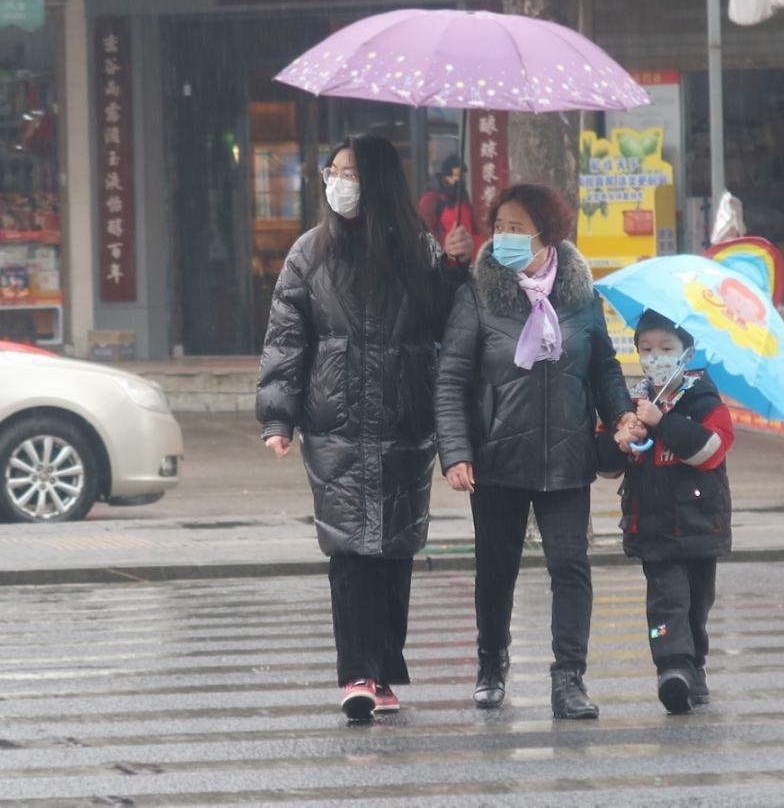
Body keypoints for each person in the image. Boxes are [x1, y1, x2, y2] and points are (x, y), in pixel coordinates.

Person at [256, 134, 471, 722]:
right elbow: (286, 339)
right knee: (349, 549)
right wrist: (278, 415)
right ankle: (357, 673)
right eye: (333, 172)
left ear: (376, 181)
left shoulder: (419, 249)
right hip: (336, 424)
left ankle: (385, 669)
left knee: (395, 548)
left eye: (350, 173)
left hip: (405, 420)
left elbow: (447, 326)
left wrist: (454, 269)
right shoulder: (310, 252)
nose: (338, 183)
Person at [435, 183, 639, 719]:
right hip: (496, 458)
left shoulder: (580, 295)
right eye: (499, 226)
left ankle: (569, 678)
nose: (504, 236)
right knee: (496, 569)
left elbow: (604, 368)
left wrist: (621, 415)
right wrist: (455, 452)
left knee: (570, 566)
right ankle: (491, 663)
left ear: (546, 234)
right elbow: (451, 378)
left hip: (568, 457)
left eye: (517, 228)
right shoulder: (477, 294)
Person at [598, 310, 735, 715]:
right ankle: (672, 669)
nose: (655, 357)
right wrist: (621, 439)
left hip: (700, 522)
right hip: (653, 526)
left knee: (697, 602)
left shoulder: (703, 400)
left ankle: (695, 667)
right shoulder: (631, 403)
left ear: (685, 352)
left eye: (665, 348)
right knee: (667, 599)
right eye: (646, 349)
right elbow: (604, 465)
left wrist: (664, 423)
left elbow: (710, 451)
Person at [418, 154, 483, 258]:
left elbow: (474, 229)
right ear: (446, 176)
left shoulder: (463, 197)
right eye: (456, 175)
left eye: (462, 175)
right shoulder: (431, 199)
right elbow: (427, 234)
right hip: (446, 257)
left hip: (469, 256)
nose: (459, 179)